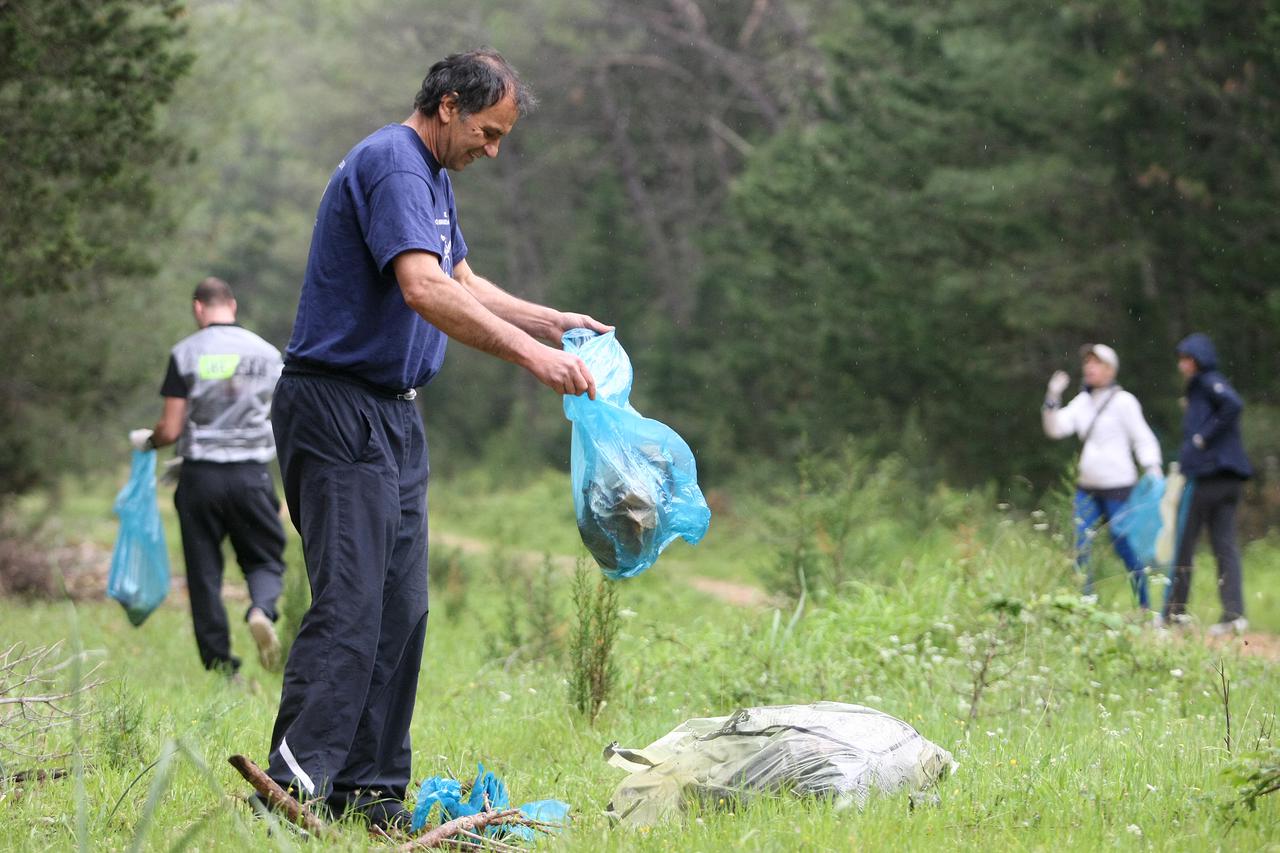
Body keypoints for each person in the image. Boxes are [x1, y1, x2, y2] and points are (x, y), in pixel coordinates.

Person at [262, 49, 610, 830]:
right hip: (336, 405)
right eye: (488, 132)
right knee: (352, 603)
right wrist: (532, 358)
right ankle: (291, 790)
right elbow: (421, 288)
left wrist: (550, 321)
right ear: (448, 105)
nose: (493, 150)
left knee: (402, 607)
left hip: (393, 414)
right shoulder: (394, 162)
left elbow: (461, 279)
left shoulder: (434, 178)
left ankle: (371, 794)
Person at [129, 276, 286, 675]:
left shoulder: (185, 354)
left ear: (199, 308)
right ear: (231, 305)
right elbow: (286, 412)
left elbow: (170, 428)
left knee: (204, 574)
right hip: (252, 474)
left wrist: (148, 441)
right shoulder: (268, 355)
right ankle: (261, 609)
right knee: (265, 559)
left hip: (200, 479)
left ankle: (220, 667)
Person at [1042, 343, 1163, 608]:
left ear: (1110, 370)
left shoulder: (1124, 402)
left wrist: (1153, 468)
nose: (1089, 367)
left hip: (1119, 488)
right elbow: (1056, 429)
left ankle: (1144, 607)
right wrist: (1052, 397)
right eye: (1088, 363)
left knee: (1125, 547)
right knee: (1080, 546)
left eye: (1096, 363)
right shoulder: (1083, 402)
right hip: (1088, 488)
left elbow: (1142, 439)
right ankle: (1085, 605)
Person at [1160, 333, 1253, 635]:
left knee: (1185, 543)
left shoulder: (1208, 382)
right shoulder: (1201, 386)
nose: (1182, 365)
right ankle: (1233, 615)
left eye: (1187, 359)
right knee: (1224, 545)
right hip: (1228, 479)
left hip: (1210, 477)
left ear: (1199, 359)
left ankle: (1173, 614)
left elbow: (1232, 404)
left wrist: (1202, 437)